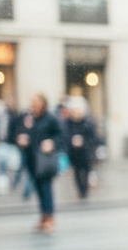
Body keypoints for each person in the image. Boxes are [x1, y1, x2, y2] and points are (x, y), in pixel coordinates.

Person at [14, 92, 63, 233]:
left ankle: (49, 217)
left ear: (42, 102)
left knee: (46, 187)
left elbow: (60, 135)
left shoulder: (50, 118)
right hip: (31, 158)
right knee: (38, 188)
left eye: (35, 101)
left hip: (45, 159)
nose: (32, 104)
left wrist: (51, 143)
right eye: (31, 101)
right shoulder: (27, 118)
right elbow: (18, 132)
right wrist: (20, 139)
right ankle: (43, 215)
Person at [62, 96, 98, 200]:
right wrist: (71, 142)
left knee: (86, 171)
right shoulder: (68, 123)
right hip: (74, 153)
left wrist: (83, 142)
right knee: (77, 172)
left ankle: (85, 189)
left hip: (85, 152)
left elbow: (93, 138)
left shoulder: (88, 122)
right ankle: (81, 190)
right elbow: (65, 137)